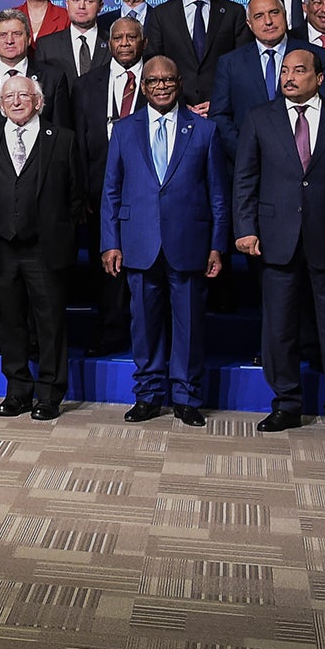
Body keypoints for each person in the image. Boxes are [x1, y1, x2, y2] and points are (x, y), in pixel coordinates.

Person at [233, 48, 325, 437]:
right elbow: (245, 179)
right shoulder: (260, 118)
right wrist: (245, 227)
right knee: (278, 329)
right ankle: (287, 404)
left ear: (319, 77)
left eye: (299, 71)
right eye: (285, 71)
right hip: (275, 240)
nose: (289, 77)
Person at [100, 57, 229, 425]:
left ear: (179, 83)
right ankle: (148, 395)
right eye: (153, 80)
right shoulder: (124, 130)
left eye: (168, 80)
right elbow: (111, 190)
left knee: (189, 324)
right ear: (143, 86)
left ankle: (187, 396)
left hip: (189, 241)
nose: (161, 86)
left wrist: (217, 244)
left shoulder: (204, 131)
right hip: (138, 242)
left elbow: (218, 195)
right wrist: (110, 242)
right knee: (144, 325)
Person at [0, 77, 83, 419]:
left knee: (50, 323)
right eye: (9, 96)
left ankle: (50, 393)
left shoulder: (63, 139)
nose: (17, 101)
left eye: (24, 95)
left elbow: (77, 197)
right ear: (0, 105)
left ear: (39, 101)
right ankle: (17, 390)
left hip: (45, 248)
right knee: (9, 323)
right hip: (2, 247)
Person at [70, 15, 147, 355]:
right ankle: (111, 332)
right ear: (109, 44)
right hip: (100, 190)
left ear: (142, 42)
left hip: (149, 192)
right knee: (107, 268)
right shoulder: (88, 84)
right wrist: (82, 190)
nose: (125, 43)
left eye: (132, 37)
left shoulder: (161, 78)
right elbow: (78, 143)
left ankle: (148, 336)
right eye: (119, 38)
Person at [208, 0, 325, 162]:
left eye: (274, 13)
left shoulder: (316, 56)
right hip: (248, 166)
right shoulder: (230, 63)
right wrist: (245, 153)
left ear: (285, 15)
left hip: (304, 166)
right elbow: (220, 116)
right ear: (249, 24)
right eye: (259, 16)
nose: (268, 21)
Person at [145, 0, 248, 112]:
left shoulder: (233, 12)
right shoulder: (160, 15)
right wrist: (178, 105)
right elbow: (154, 66)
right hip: (177, 113)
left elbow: (242, 66)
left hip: (222, 114)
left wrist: (220, 103)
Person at [0, 8, 67, 136]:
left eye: (17, 34)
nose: (9, 41)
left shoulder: (53, 78)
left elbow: (62, 135)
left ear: (29, 39)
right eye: (2, 35)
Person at [35, 0, 107, 89]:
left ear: (100, 7)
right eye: (76, 0)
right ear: (67, 4)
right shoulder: (46, 46)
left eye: (89, 1)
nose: (81, 6)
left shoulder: (113, 42)